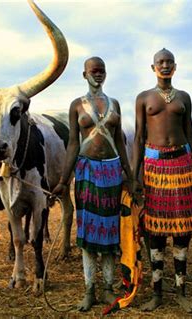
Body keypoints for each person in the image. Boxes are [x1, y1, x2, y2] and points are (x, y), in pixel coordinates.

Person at [52, 57, 132, 311]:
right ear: (84, 74)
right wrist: (64, 180)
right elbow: (73, 144)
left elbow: (120, 142)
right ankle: (89, 290)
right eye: (93, 71)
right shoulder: (77, 105)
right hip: (86, 171)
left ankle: (108, 288)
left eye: (102, 71)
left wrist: (129, 175)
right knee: (87, 233)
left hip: (112, 171)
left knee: (109, 232)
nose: (98, 74)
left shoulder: (114, 104)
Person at [132, 48, 192, 313]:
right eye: (160, 62)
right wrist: (134, 176)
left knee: (183, 231)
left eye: (169, 62)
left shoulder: (184, 97)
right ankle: (157, 293)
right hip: (153, 168)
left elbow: (189, 133)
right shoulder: (144, 98)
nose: (165, 65)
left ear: (175, 66)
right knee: (155, 232)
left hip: (183, 165)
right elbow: (139, 138)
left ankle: (181, 291)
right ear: (153, 67)